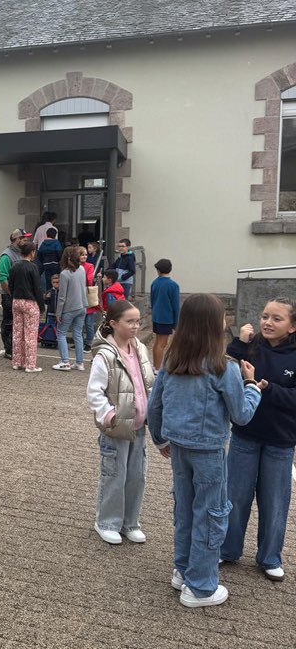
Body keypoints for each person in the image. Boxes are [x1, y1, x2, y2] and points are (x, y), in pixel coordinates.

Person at [147, 294, 263, 608]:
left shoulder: (171, 360)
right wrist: (252, 387)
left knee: (185, 510)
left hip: (178, 448)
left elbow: (154, 406)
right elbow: (241, 415)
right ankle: (200, 586)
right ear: (215, 324)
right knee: (211, 515)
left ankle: (183, 570)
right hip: (209, 451)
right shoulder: (224, 367)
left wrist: (160, 440)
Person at [221, 297, 296, 581]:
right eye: (265, 316)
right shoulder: (250, 345)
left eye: (277, 318)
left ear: (292, 326)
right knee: (235, 496)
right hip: (245, 435)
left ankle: (270, 557)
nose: (268, 322)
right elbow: (226, 370)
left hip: (280, 440)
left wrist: (268, 389)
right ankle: (227, 549)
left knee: (274, 502)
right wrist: (238, 342)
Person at [87, 300, 155, 544]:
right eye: (130, 321)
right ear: (114, 324)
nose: (136, 326)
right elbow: (94, 392)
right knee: (114, 475)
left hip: (139, 427)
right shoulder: (104, 355)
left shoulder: (140, 348)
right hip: (116, 428)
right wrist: (109, 416)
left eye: (138, 321)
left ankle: (130, 522)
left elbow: (148, 380)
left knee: (137, 476)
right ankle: (106, 522)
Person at [8, 240, 44, 372]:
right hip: (30, 302)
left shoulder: (15, 266)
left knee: (17, 332)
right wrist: (41, 306)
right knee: (30, 334)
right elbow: (37, 288)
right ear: (32, 252)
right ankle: (30, 365)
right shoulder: (33, 267)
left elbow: (10, 284)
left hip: (16, 301)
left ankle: (17, 362)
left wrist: (13, 296)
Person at [53, 245, 87, 372]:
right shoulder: (82, 269)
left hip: (69, 308)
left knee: (61, 333)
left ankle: (65, 361)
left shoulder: (64, 274)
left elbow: (62, 296)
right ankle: (79, 362)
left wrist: (58, 313)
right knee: (78, 333)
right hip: (82, 305)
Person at [0, 228, 30, 359]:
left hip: (21, 295)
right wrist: (11, 293)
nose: (26, 241)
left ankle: (16, 348)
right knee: (9, 323)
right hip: (9, 296)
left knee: (19, 324)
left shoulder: (23, 253)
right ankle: (9, 349)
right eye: (24, 239)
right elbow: (2, 278)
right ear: (17, 239)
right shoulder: (6, 256)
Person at [150, 258, 180, 370]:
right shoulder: (173, 285)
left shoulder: (154, 283)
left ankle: (155, 366)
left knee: (157, 342)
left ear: (158, 270)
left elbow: (152, 300)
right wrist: (176, 323)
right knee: (162, 344)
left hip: (156, 316)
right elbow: (175, 305)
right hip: (166, 318)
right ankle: (158, 369)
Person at [78, 245, 99, 351]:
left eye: (86, 255)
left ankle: (89, 343)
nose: (84, 257)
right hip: (78, 295)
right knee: (79, 323)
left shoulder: (89, 266)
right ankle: (79, 342)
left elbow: (89, 280)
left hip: (86, 295)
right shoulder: (75, 266)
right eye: (82, 255)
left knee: (88, 323)